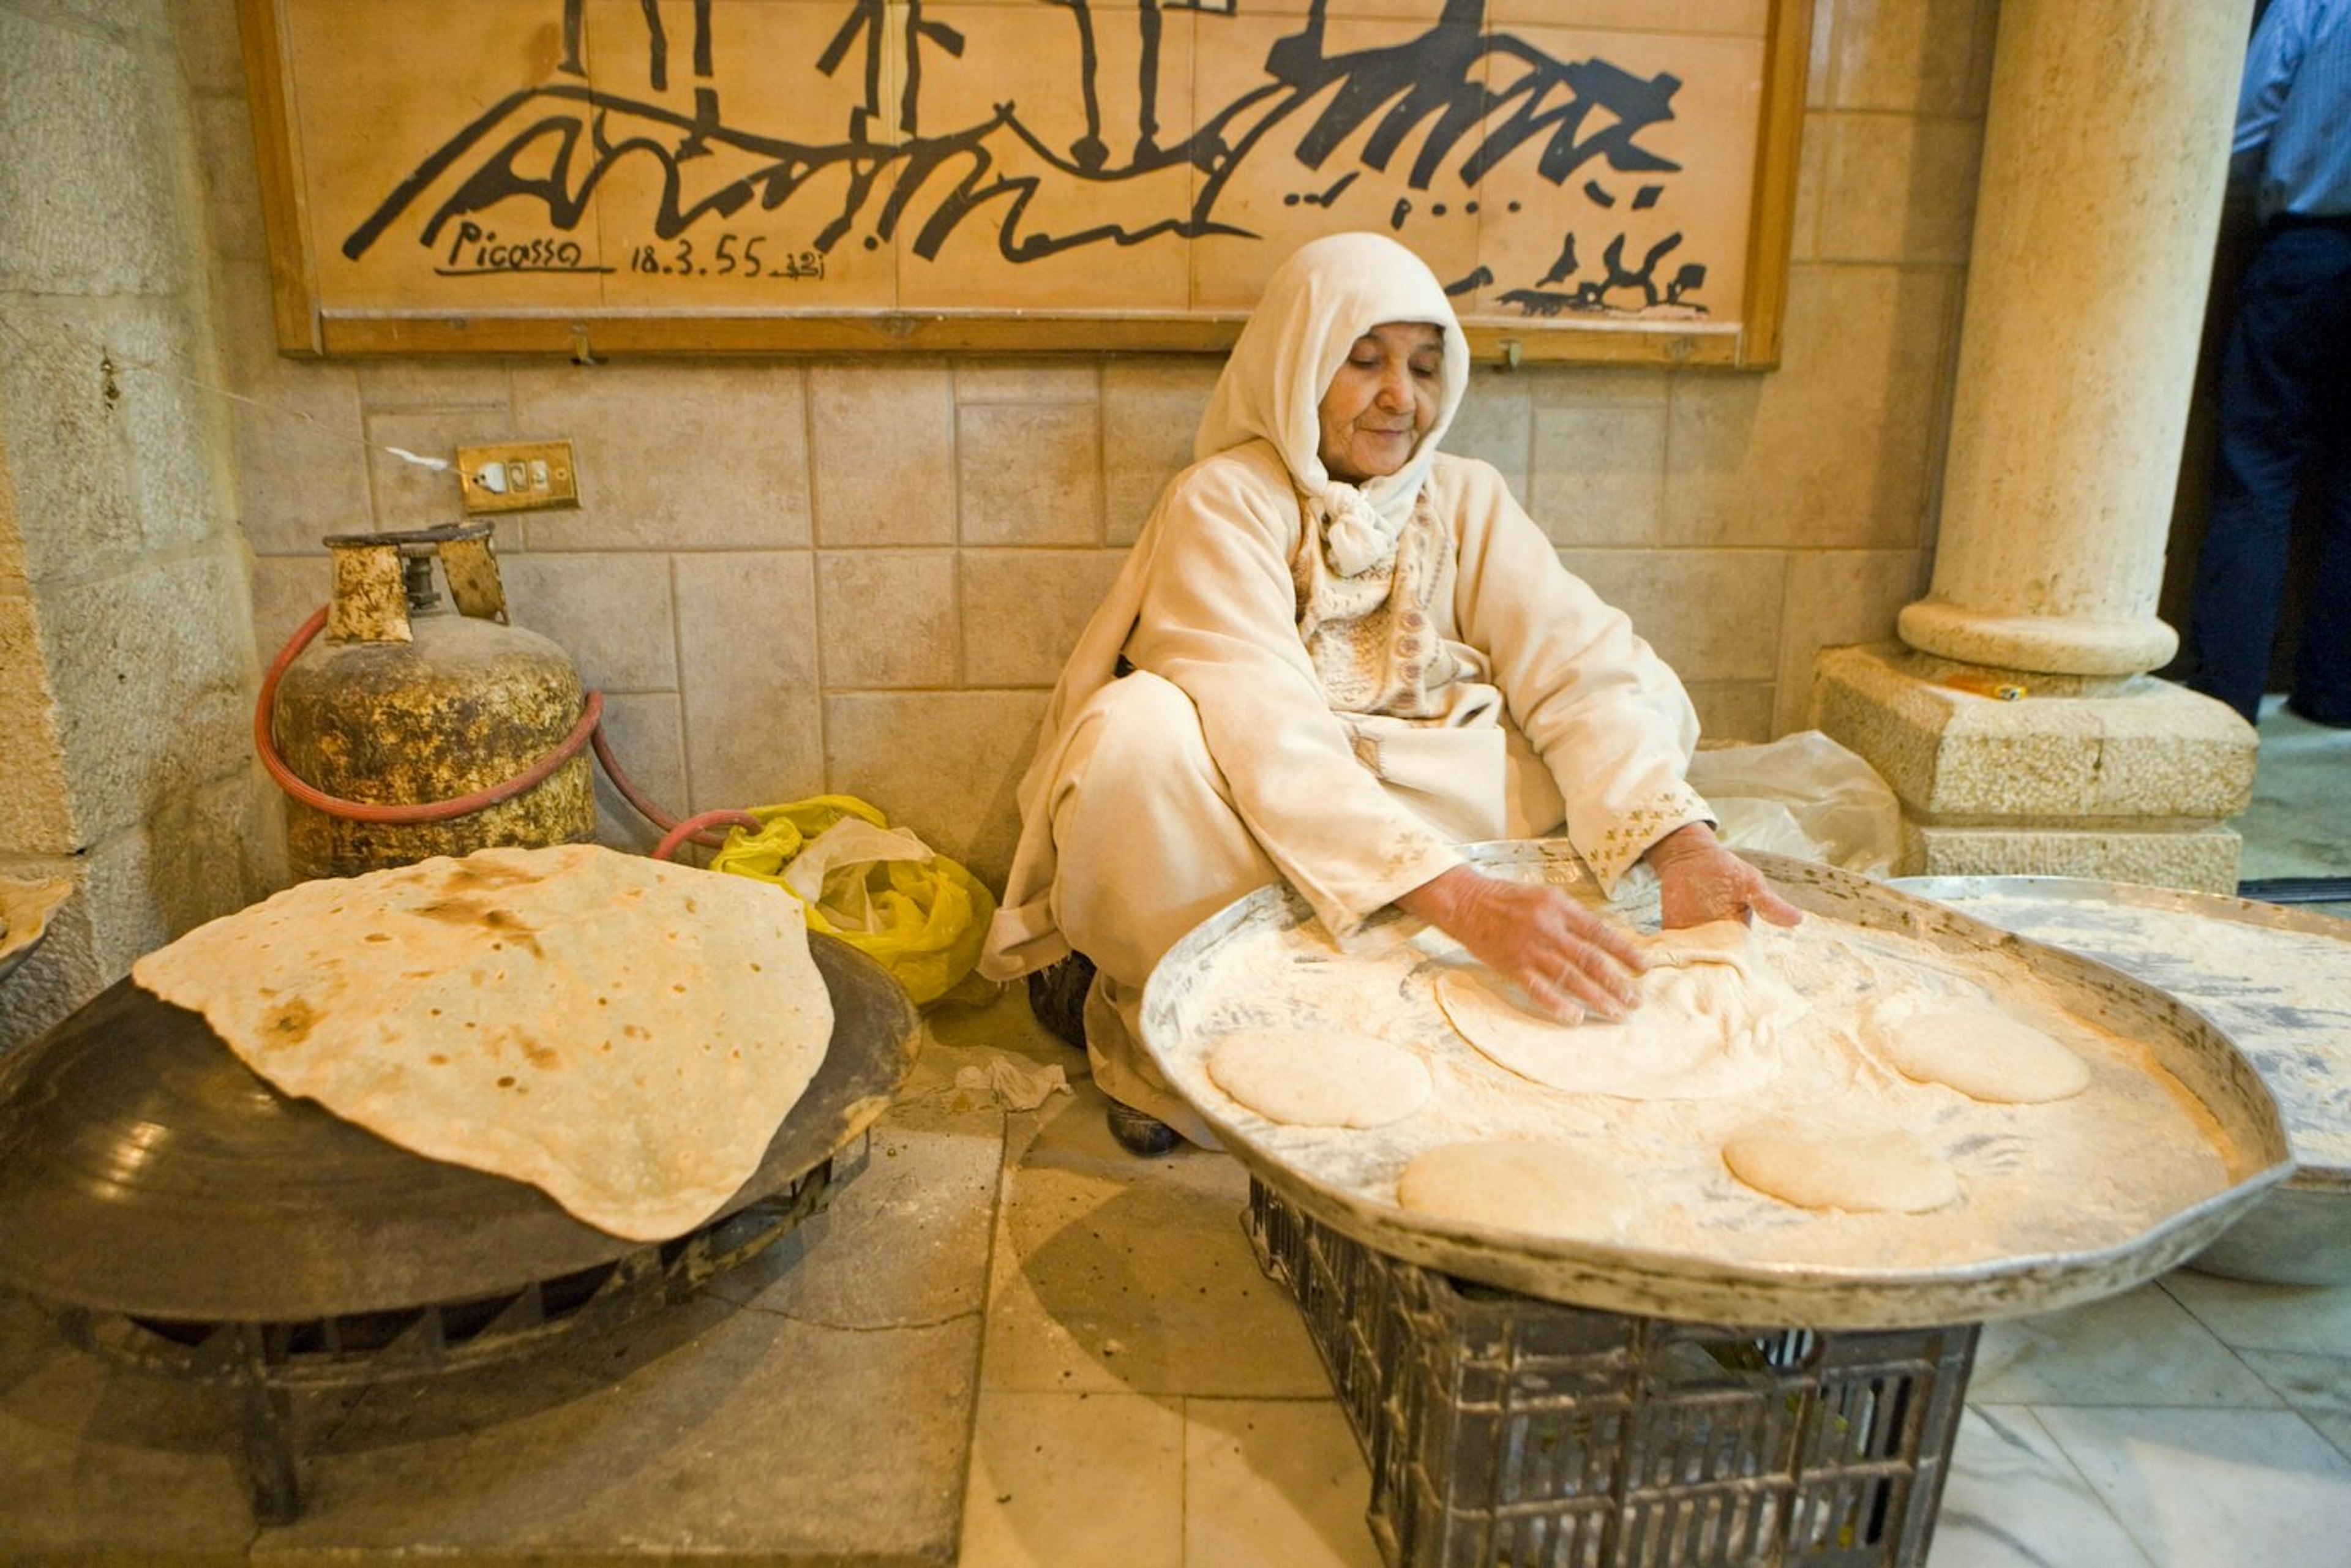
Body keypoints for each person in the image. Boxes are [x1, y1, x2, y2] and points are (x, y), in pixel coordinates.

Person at [979, 231, 1799, 1153]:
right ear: (1297, 367)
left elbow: (1577, 659)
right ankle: (1181, 1050)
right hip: (1261, 818)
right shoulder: (1226, 499)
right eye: (1361, 362)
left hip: (1432, 799)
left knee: (1619, 700)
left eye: (1422, 365)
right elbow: (1264, 723)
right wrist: (1470, 904)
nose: (1399, 397)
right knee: (1133, 735)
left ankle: (1441, 1018)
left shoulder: (1468, 498)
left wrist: (1681, 846)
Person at [2185, 0, 2351, 728]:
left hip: (2306, 248)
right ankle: (2335, 691)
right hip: (2305, 247)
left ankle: (2227, 700)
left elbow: (2243, 127)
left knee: (2257, 477)